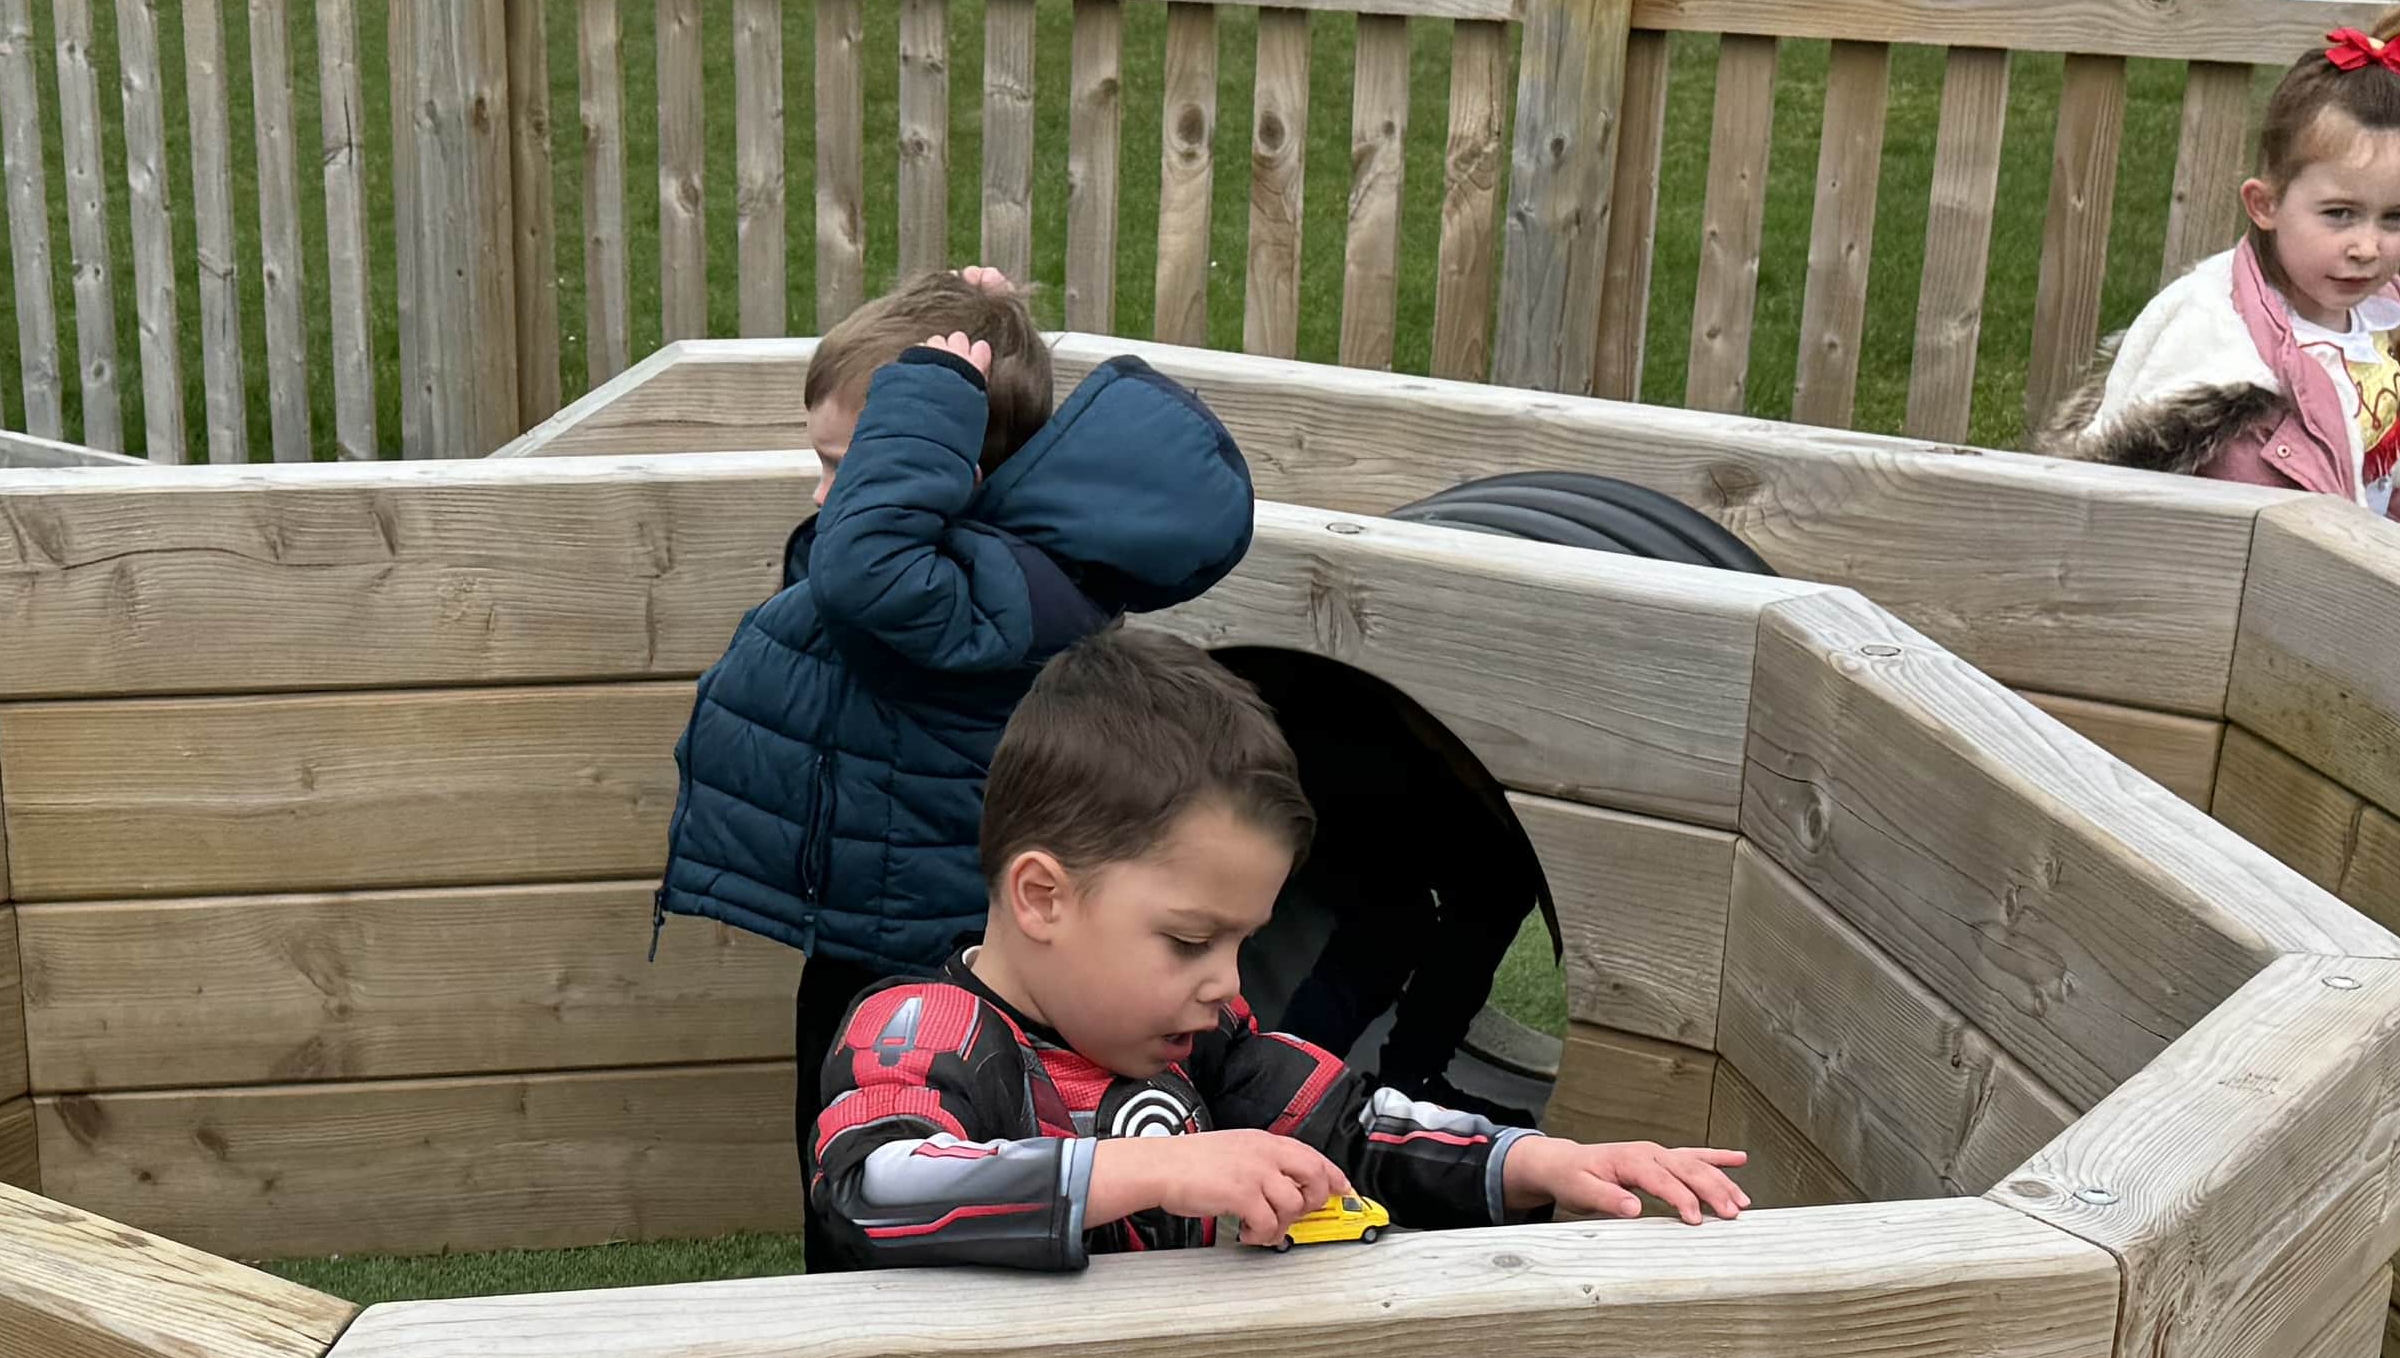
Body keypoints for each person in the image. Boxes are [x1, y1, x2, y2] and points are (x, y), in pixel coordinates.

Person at [813, 625, 1751, 1268]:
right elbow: (876, 1189)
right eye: (1188, 940)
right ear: (1042, 897)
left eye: (1241, 942)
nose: (1226, 983)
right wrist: (1165, 1167)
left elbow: (1352, 1132)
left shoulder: (1212, 1047)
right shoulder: (922, 1032)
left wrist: (1536, 1162)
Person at [656, 269, 1261, 1239]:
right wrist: (978, 319)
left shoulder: (988, 593)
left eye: (844, 465)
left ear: (941, 463)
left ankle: (863, 1315)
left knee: (874, 1174)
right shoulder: (967, 567)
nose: (821, 498)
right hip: (879, 923)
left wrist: (929, 401)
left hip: (916, 954)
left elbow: (852, 569)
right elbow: (839, 565)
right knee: (846, 1151)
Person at [2049, 24, 2400, 547]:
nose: (2367, 246)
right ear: (2265, 204)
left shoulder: (2387, 320)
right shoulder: (2212, 336)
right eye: (2339, 214)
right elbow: (2120, 501)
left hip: (2356, 585)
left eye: (2395, 218)